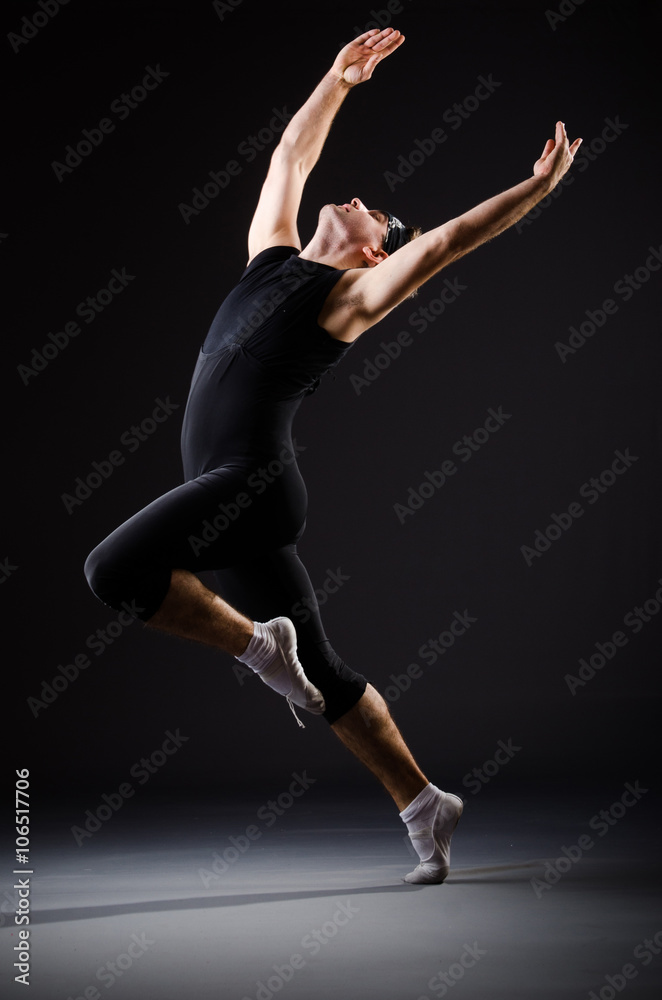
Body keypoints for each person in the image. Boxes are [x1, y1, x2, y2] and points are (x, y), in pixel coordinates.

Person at [84, 26, 582, 884]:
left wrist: (533, 191)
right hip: (231, 497)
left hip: (252, 485)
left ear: (371, 250)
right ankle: (427, 806)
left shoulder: (348, 297)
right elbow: (290, 155)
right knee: (327, 675)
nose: (356, 197)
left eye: (373, 212)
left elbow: (445, 245)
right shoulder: (268, 257)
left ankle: (256, 651)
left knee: (111, 571)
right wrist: (338, 80)